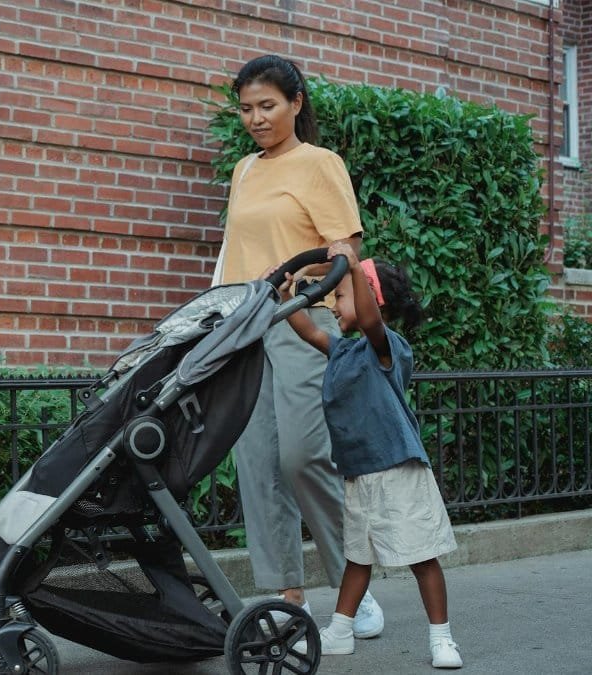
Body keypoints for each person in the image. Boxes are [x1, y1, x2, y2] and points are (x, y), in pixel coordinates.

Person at [215, 53, 382, 634]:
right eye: (246, 109)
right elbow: (233, 255)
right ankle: (289, 595)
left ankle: (352, 590)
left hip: (303, 325)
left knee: (304, 455)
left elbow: (345, 249)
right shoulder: (243, 170)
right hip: (245, 327)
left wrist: (300, 283)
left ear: (295, 104)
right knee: (257, 463)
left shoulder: (319, 164)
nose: (256, 118)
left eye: (267, 106)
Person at [277, 242, 461, 668]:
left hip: (399, 469)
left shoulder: (387, 348)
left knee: (421, 557)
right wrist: (286, 295)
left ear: (368, 297)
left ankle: (442, 638)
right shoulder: (341, 351)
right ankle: (340, 631)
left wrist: (354, 269)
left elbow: (372, 320)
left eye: (339, 296)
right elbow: (308, 331)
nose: (334, 305)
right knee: (357, 559)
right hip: (359, 473)